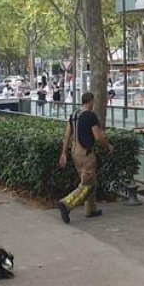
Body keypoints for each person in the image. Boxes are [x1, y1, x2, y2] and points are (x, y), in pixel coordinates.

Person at [57, 92, 112, 223]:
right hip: (86, 153)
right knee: (87, 184)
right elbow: (98, 137)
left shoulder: (74, 115)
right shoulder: (90, 116)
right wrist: (108, 146)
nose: (94, 104)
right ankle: (66, 203)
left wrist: (64, 153)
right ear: (91, 101)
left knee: (91, 181)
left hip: (75, 151)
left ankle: (90, 209)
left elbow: (67, 136)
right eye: (93, 102)